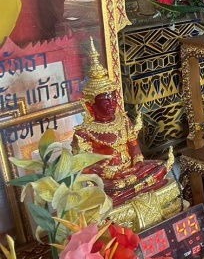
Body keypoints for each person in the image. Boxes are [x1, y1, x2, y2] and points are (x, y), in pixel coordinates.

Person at [72, 39, 171, 207]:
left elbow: (133, 145)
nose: (112, 105)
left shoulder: (123, 119)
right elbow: (84, 167)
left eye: (113, 99)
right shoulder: (84, 132)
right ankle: (131, 190)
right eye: (105, 101)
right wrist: (109, 173)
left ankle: (133, 188)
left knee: (160, 166)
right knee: (109, 189)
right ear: (90, 105)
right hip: (111, 179)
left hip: (132, 170)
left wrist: (137, 162)